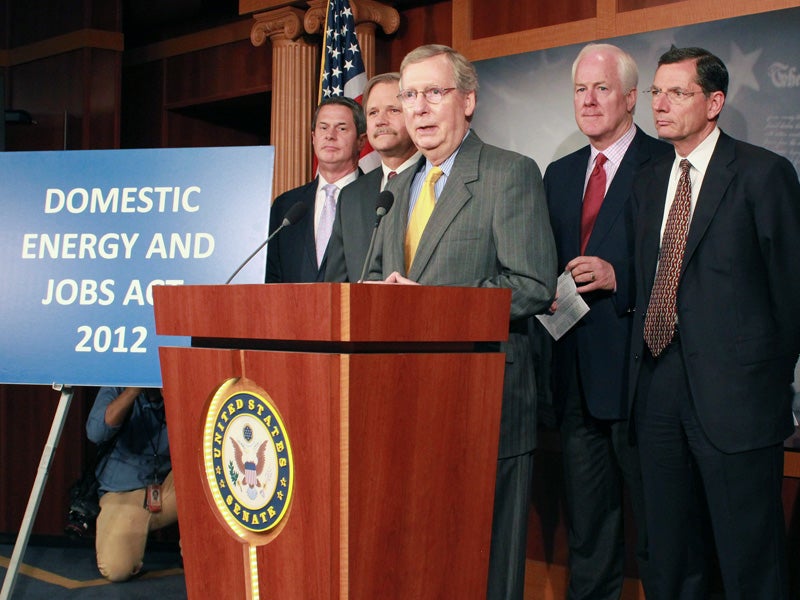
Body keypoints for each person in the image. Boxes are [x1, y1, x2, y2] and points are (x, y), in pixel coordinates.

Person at [367, 44, 557, 600]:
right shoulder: (396, 188)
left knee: (485, 568)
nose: (418, 108)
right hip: (403, 407)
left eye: (433, 92)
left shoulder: (508, 174)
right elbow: (379, 278)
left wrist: (430, 303)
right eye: (408, 96)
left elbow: (533, 286)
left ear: (468, 101)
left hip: (484, 404)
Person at [630, 46, 800, 599]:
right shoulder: (650, 179)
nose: (660, 104)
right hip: (658, 389)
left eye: (677, 92)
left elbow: (791, 293)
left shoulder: (762, 173)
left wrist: (767, 387)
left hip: (737, 401)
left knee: (749, 560)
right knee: (670, 554)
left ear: (714, 102)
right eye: (656, 92)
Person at [543, 43, 670, 599]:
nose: (589, 100)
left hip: (644, 379)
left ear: (631, 98)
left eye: (601, 88)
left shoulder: (666, 165)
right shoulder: (559, 173)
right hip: (575, 382)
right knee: (589, 535)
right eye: (579, 89)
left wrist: (623, 278)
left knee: (661, 532)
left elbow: (689, 270)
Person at [325, 72, 420, 282]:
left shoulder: (437, 180)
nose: (380, 121)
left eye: (393, 110)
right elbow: (335, 284)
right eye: (373, 113)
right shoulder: (351, 196)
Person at [265, 96, 366, 282]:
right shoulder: (286, 206)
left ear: (361, 141)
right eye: (323, 127)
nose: (330, 135)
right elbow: (271, 275)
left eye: (341, 128)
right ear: (313, 138)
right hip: (293, 309)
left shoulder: (375, 199)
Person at [86, 386, 177, 582]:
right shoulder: (117, 385)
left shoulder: (178, 383)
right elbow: (95, 432)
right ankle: (132, 534)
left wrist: (173, 400)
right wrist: (132, 391)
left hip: (169, 485)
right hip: (123, 492)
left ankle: (200, 556)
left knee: (208, 474)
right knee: (116, 568)